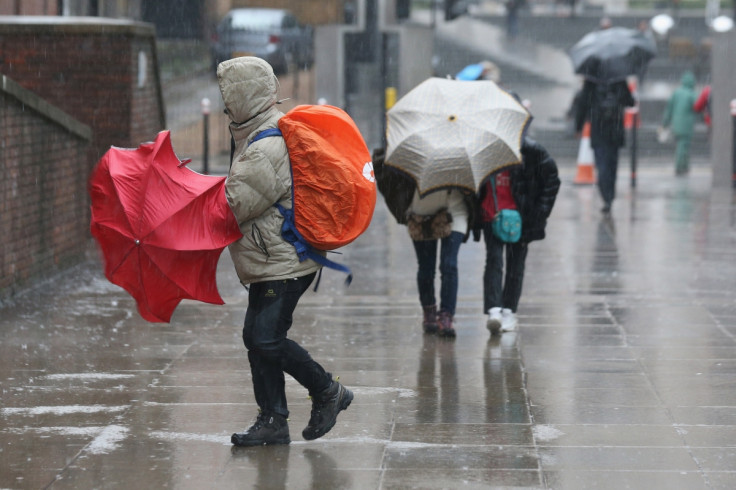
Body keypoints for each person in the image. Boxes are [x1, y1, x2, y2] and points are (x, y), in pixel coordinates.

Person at [218, 56, 352, 447]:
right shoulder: (256, 132)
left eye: (229, 96)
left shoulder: (267, 144)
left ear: (245, 95)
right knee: (257, 337)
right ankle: (273, 419)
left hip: (285, 259)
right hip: (271, 258)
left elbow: (235, 204)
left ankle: (327, 390)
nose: (225, 104)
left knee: (265, 339)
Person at [373, 149, 476, 338]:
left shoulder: (463, 145)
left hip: (455, 210)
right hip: (421, 212)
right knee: (426, 268)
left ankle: (446, 315)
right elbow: (380, 163)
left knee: (449, 264)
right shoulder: (412, 143)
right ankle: (429, 311)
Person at [476, 137, 560, 334]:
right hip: (492, 216)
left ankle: (509, 311)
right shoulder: (482, 153)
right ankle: (494, 310)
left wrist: (538, 214)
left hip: (520, 220)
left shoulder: (531, 151)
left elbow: (551, 180)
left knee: (516, 265)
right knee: (494, 260)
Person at [574, 73, 635, 214]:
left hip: (598, 128)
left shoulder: (591, 79)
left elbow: (583, 103)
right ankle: (609, 196)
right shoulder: (619, 77)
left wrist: (578, 126)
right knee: (612, 164)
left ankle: (606, 195)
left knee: (602, 164)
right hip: (615, 129)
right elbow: (629, 101)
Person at [662, 71, 697, 175]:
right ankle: (681, 167)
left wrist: (665, 122)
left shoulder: (676, 93)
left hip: (676, 124)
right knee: (683, 147)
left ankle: (683, 166)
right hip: (686, 125)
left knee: (680, 146)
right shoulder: (692, 94)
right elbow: (698, 106)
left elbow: (669, 109)